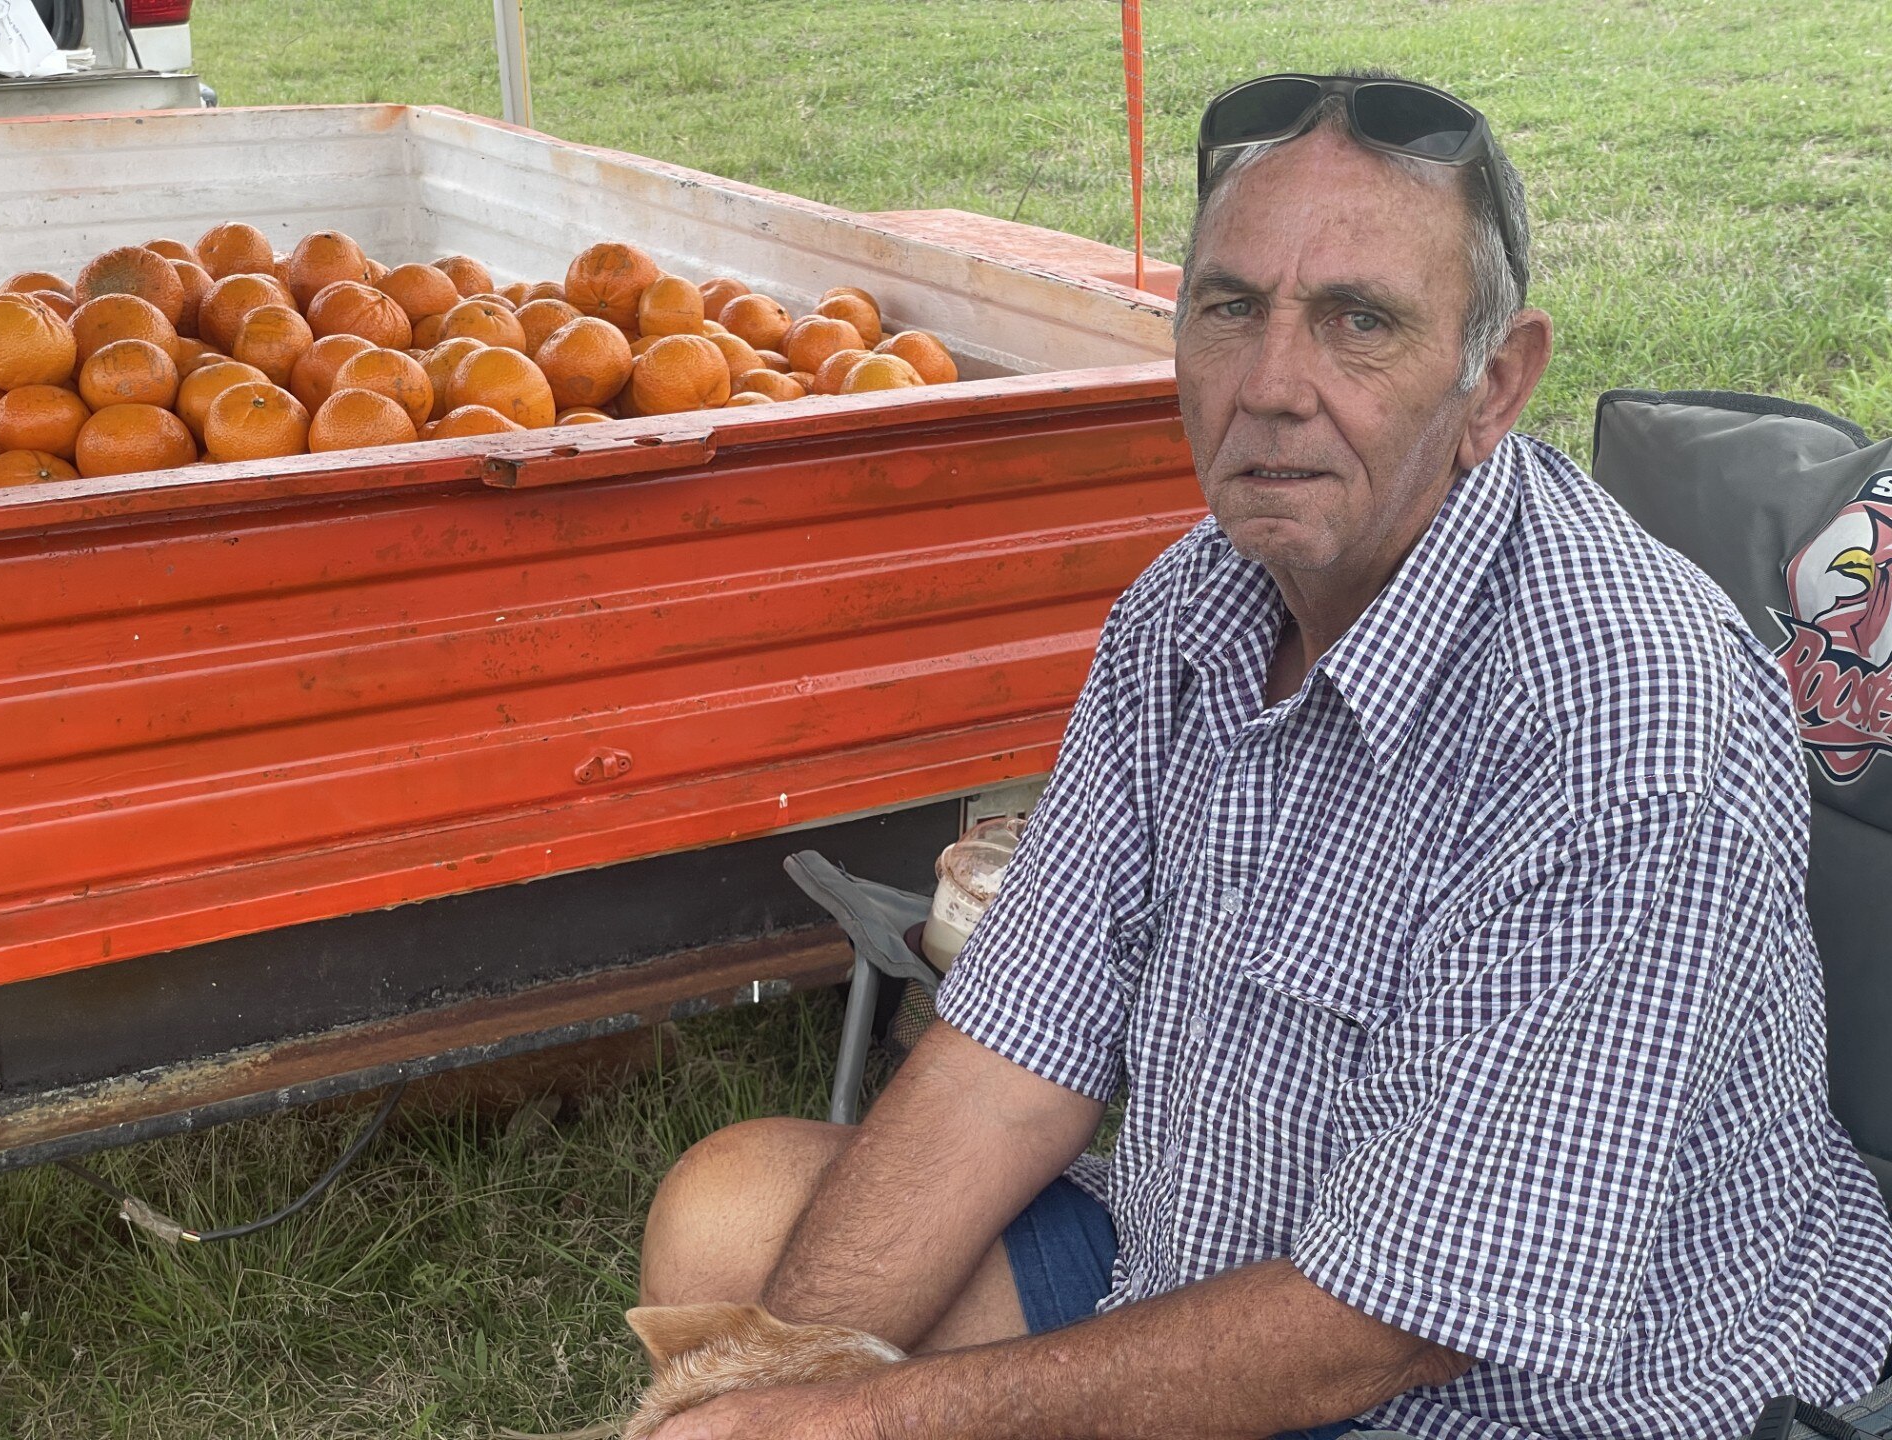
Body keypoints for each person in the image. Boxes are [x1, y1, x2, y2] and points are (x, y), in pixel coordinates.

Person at [636, 71, 1892, 1440]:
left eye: (1360, 322)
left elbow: (1406, 1317)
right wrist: (768, 1392)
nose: (1273, 386)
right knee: (734, 1225)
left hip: (1546, 1393)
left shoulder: (1630, 707)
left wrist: (850, 1426)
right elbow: (1010, 1057)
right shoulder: (1189, 607)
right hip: (1221, 1268)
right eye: (1232, 307)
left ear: (1496, 385)